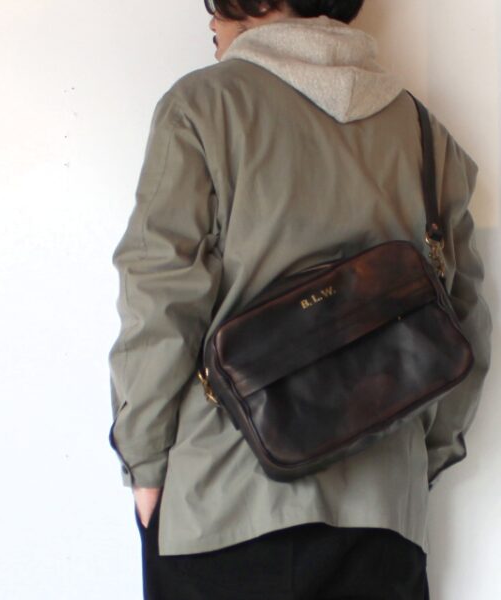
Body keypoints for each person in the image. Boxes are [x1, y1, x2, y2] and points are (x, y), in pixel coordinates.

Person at [108, 1, 492, 598]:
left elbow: (160, 294)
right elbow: (464, 317)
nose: (209, 17)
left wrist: (145, 461)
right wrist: (418, 464)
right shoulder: (423, 133)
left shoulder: (203, 106)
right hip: (382, 514)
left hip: (223, 501)